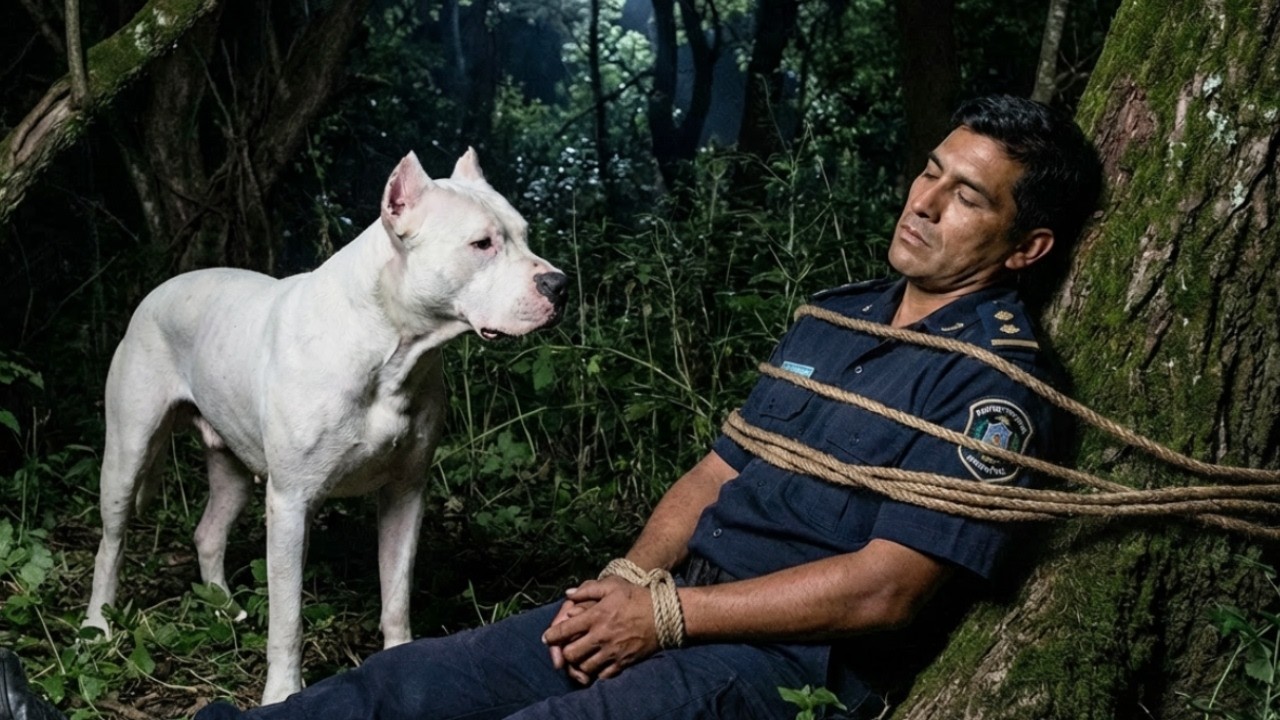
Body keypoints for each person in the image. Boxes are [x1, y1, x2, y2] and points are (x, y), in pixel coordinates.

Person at [0, 94, 1102, 720]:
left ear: (1026, 244)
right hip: (673, 606)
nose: (923, 201)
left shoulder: (994, 379)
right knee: (401, 685)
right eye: (927, 171)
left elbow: (886, 595)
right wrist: (627, 577)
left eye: (965, 197)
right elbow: (717, 474)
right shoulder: (837, 317)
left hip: (780, 664)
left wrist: (670, 619)